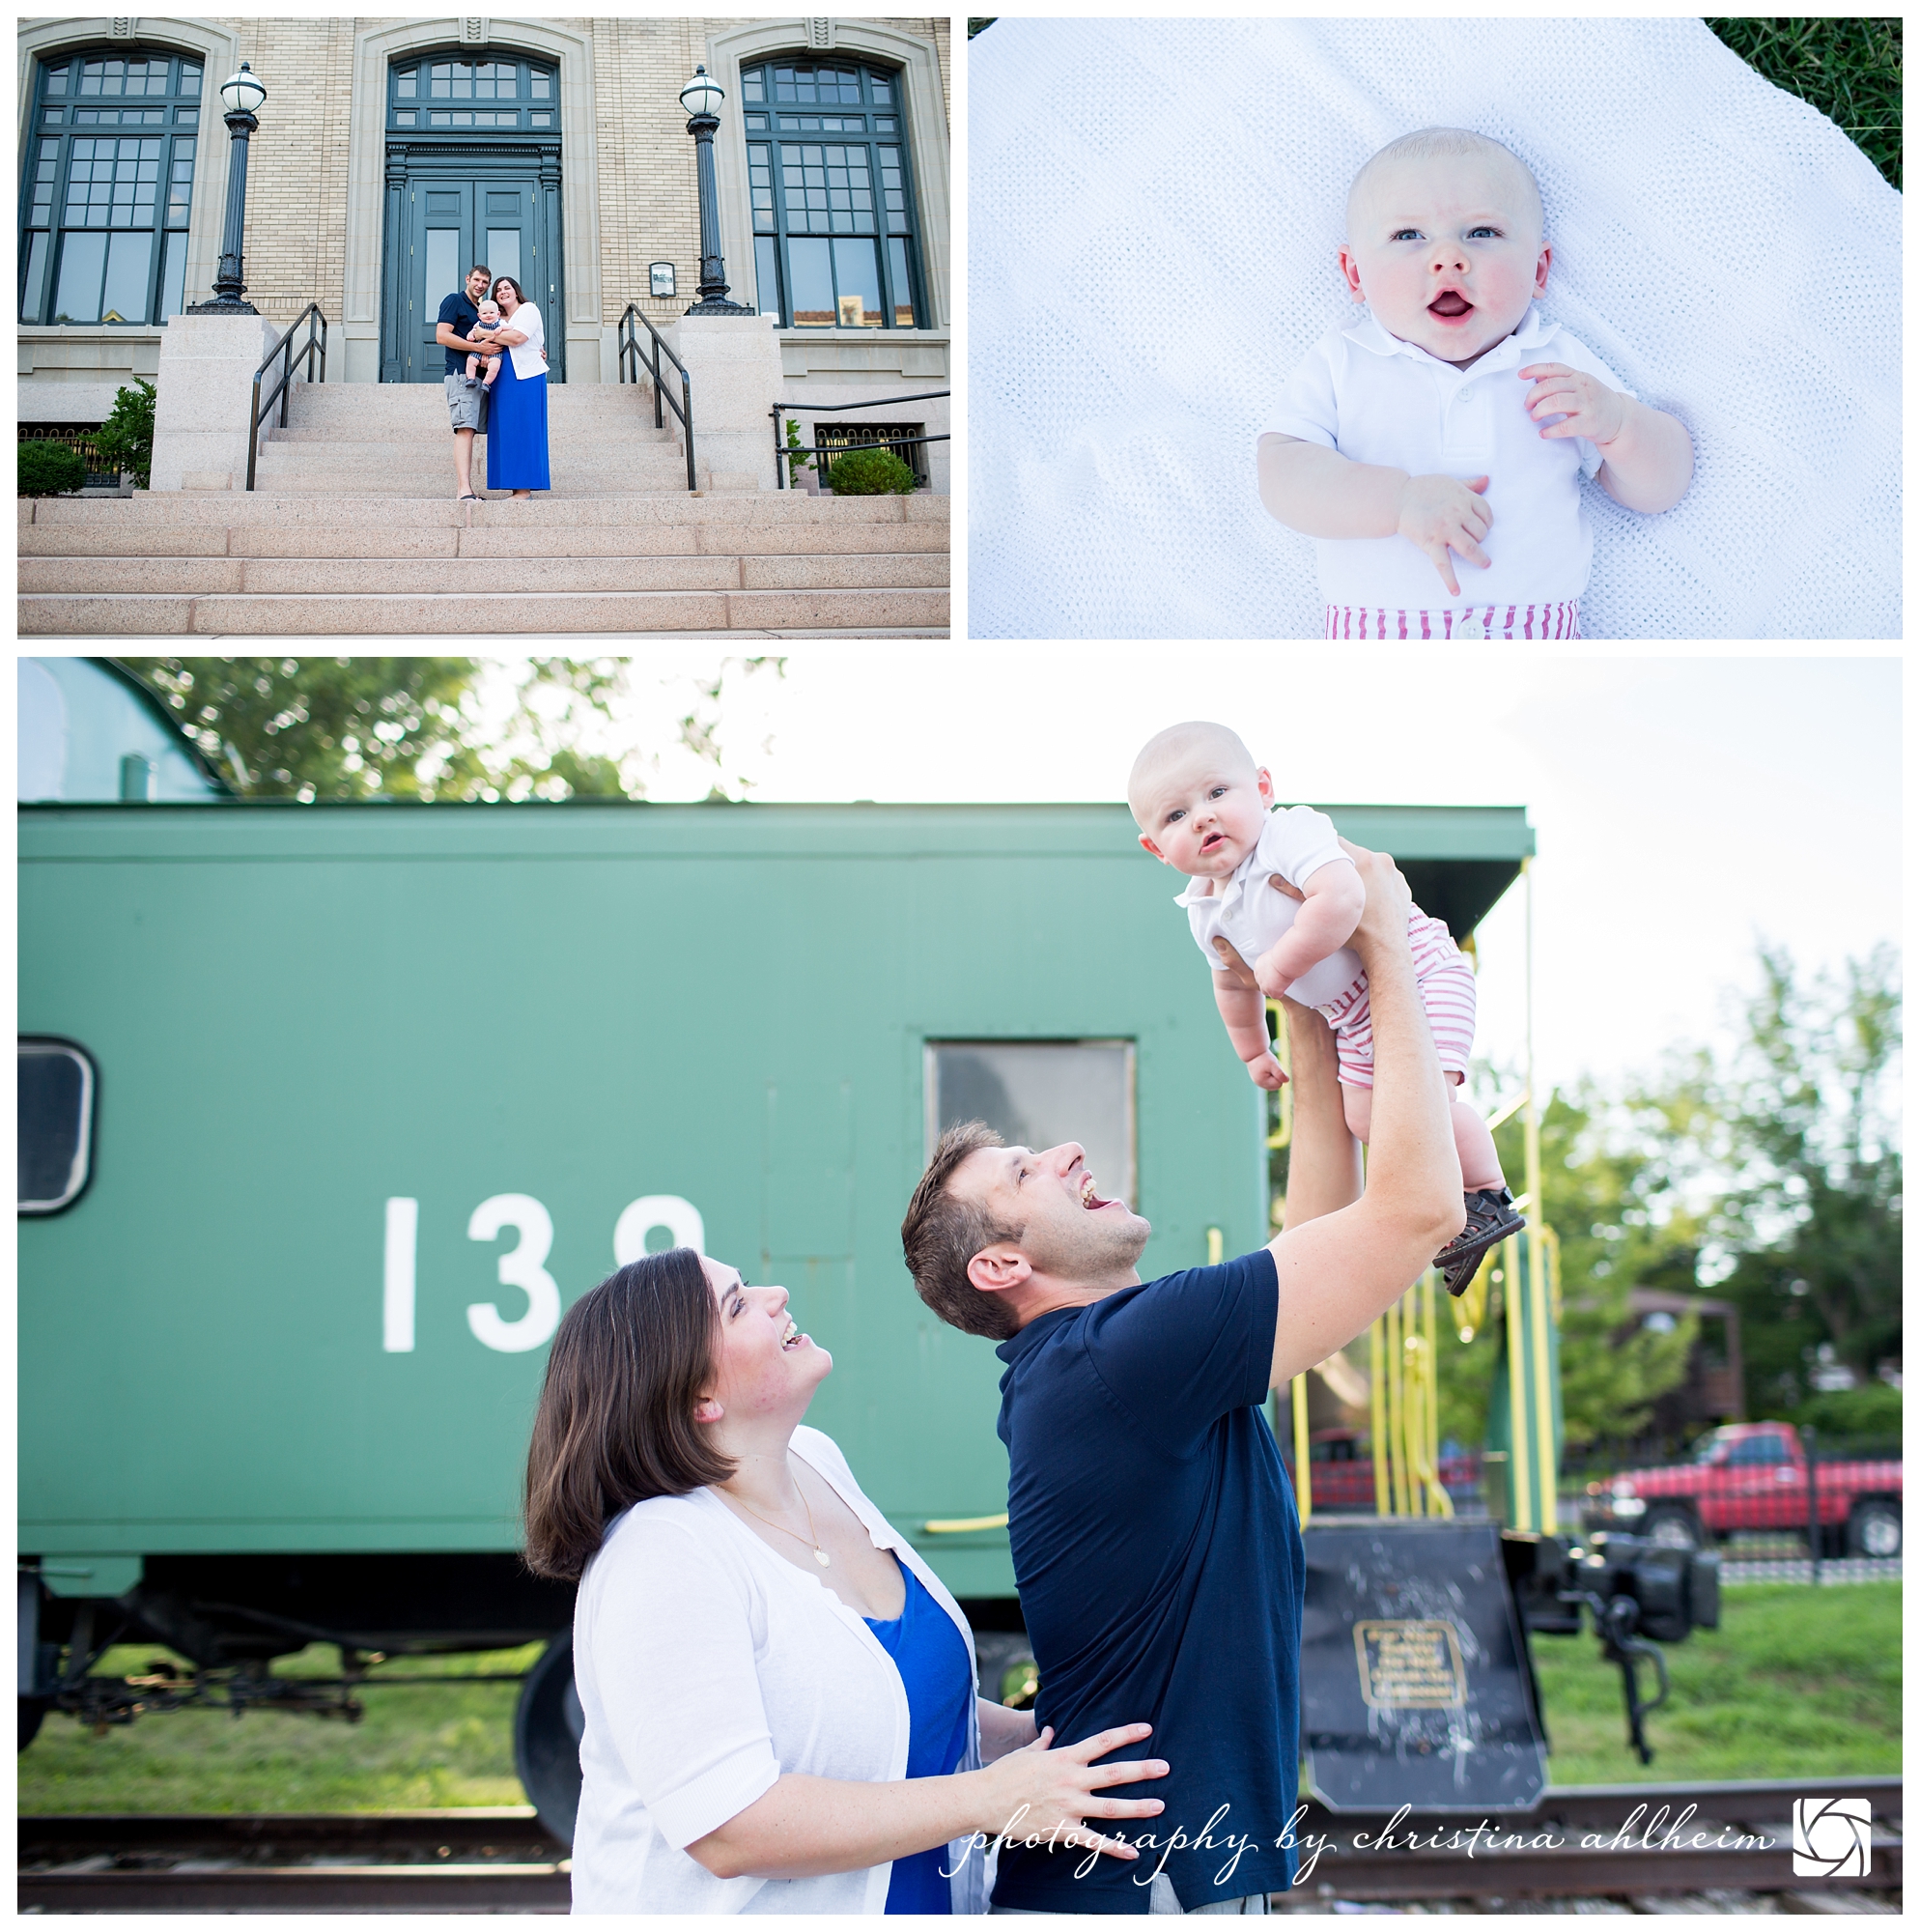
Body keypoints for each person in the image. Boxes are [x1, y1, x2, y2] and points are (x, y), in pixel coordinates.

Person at [899, 841, 1465, 1914]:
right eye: (1024, 1172)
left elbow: (1326, 1234)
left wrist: (1296, 1010)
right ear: (1001, 1265)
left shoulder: (1101, 1364)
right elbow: (1415, 1212)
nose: (1065, 1150)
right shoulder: (1121, 1356)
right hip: (1146, 1888)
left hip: (1143, 1879)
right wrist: (1383, 941)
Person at [523, 1246, 1171, 1914]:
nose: (775, 1294)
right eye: (738, 1303)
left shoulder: (815, 1462)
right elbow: (729, 1827)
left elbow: (872, 1704)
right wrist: (992, 1798)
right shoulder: (663, 1552)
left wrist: (1054, 1744)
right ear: (699, 1396)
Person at [1128, 720, 1522, 1292]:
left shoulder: (1287, 836)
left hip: (1419, 970)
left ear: (1263, 788)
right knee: (1367, 1119)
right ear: (1156, 849)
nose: (1202, 817)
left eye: (1217, 793)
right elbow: (1233, 986)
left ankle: (1487, 1193)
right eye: (1175, 816)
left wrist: (1281, 968)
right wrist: (1253, 1051)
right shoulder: (1203, 911)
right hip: (1351, 1017)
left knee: (1421, 1101)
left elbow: (1343, 897)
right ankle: (1462, 1207)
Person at [1256, 127, 1694, 640]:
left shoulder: (1557, 362)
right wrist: (1396, 502)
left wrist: (1620, 425)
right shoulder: (1345, 362)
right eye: (1408, 236)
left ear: (1539, 269)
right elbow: (1281, 475)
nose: (1448, 258)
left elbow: (1662, 488)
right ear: (1355, 275)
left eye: (1482, 233)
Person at [481, 273, 551, 499]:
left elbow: (518, 338)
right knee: (507, 430)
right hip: (503, 376)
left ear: (516, 290)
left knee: (525, 428)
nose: (502, 291)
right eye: (498, 289)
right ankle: (513, 487)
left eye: (507, 287)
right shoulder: (498, 321)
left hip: (526, 377)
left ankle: (524, 490)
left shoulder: (528, 309)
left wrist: (487, 335)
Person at [435, 263, 496, 503]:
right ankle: (463, 491)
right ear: (467, 279)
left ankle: (467, 489)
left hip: (479, 380)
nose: (480, 285)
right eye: (477, 280)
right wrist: (477, 347)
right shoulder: (454, 301)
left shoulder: (482, 310)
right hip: (461, 376)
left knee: (471, 430)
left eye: (485, 283)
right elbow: (441, 336)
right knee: (464, 429)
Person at [465, 298, 506, 390]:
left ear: (498, 314)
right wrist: (470, 335)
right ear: (479, 316)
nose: (488, 315)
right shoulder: (479, 324)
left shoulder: (500, 323)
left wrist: (502, 328)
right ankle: (471, 378)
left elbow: (511, 328)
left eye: (491, 312)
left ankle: (486, 383)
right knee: (471, 361)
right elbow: (473, 330)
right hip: (479, 349)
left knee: (494, 366)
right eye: (484, 313)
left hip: (495, 351)